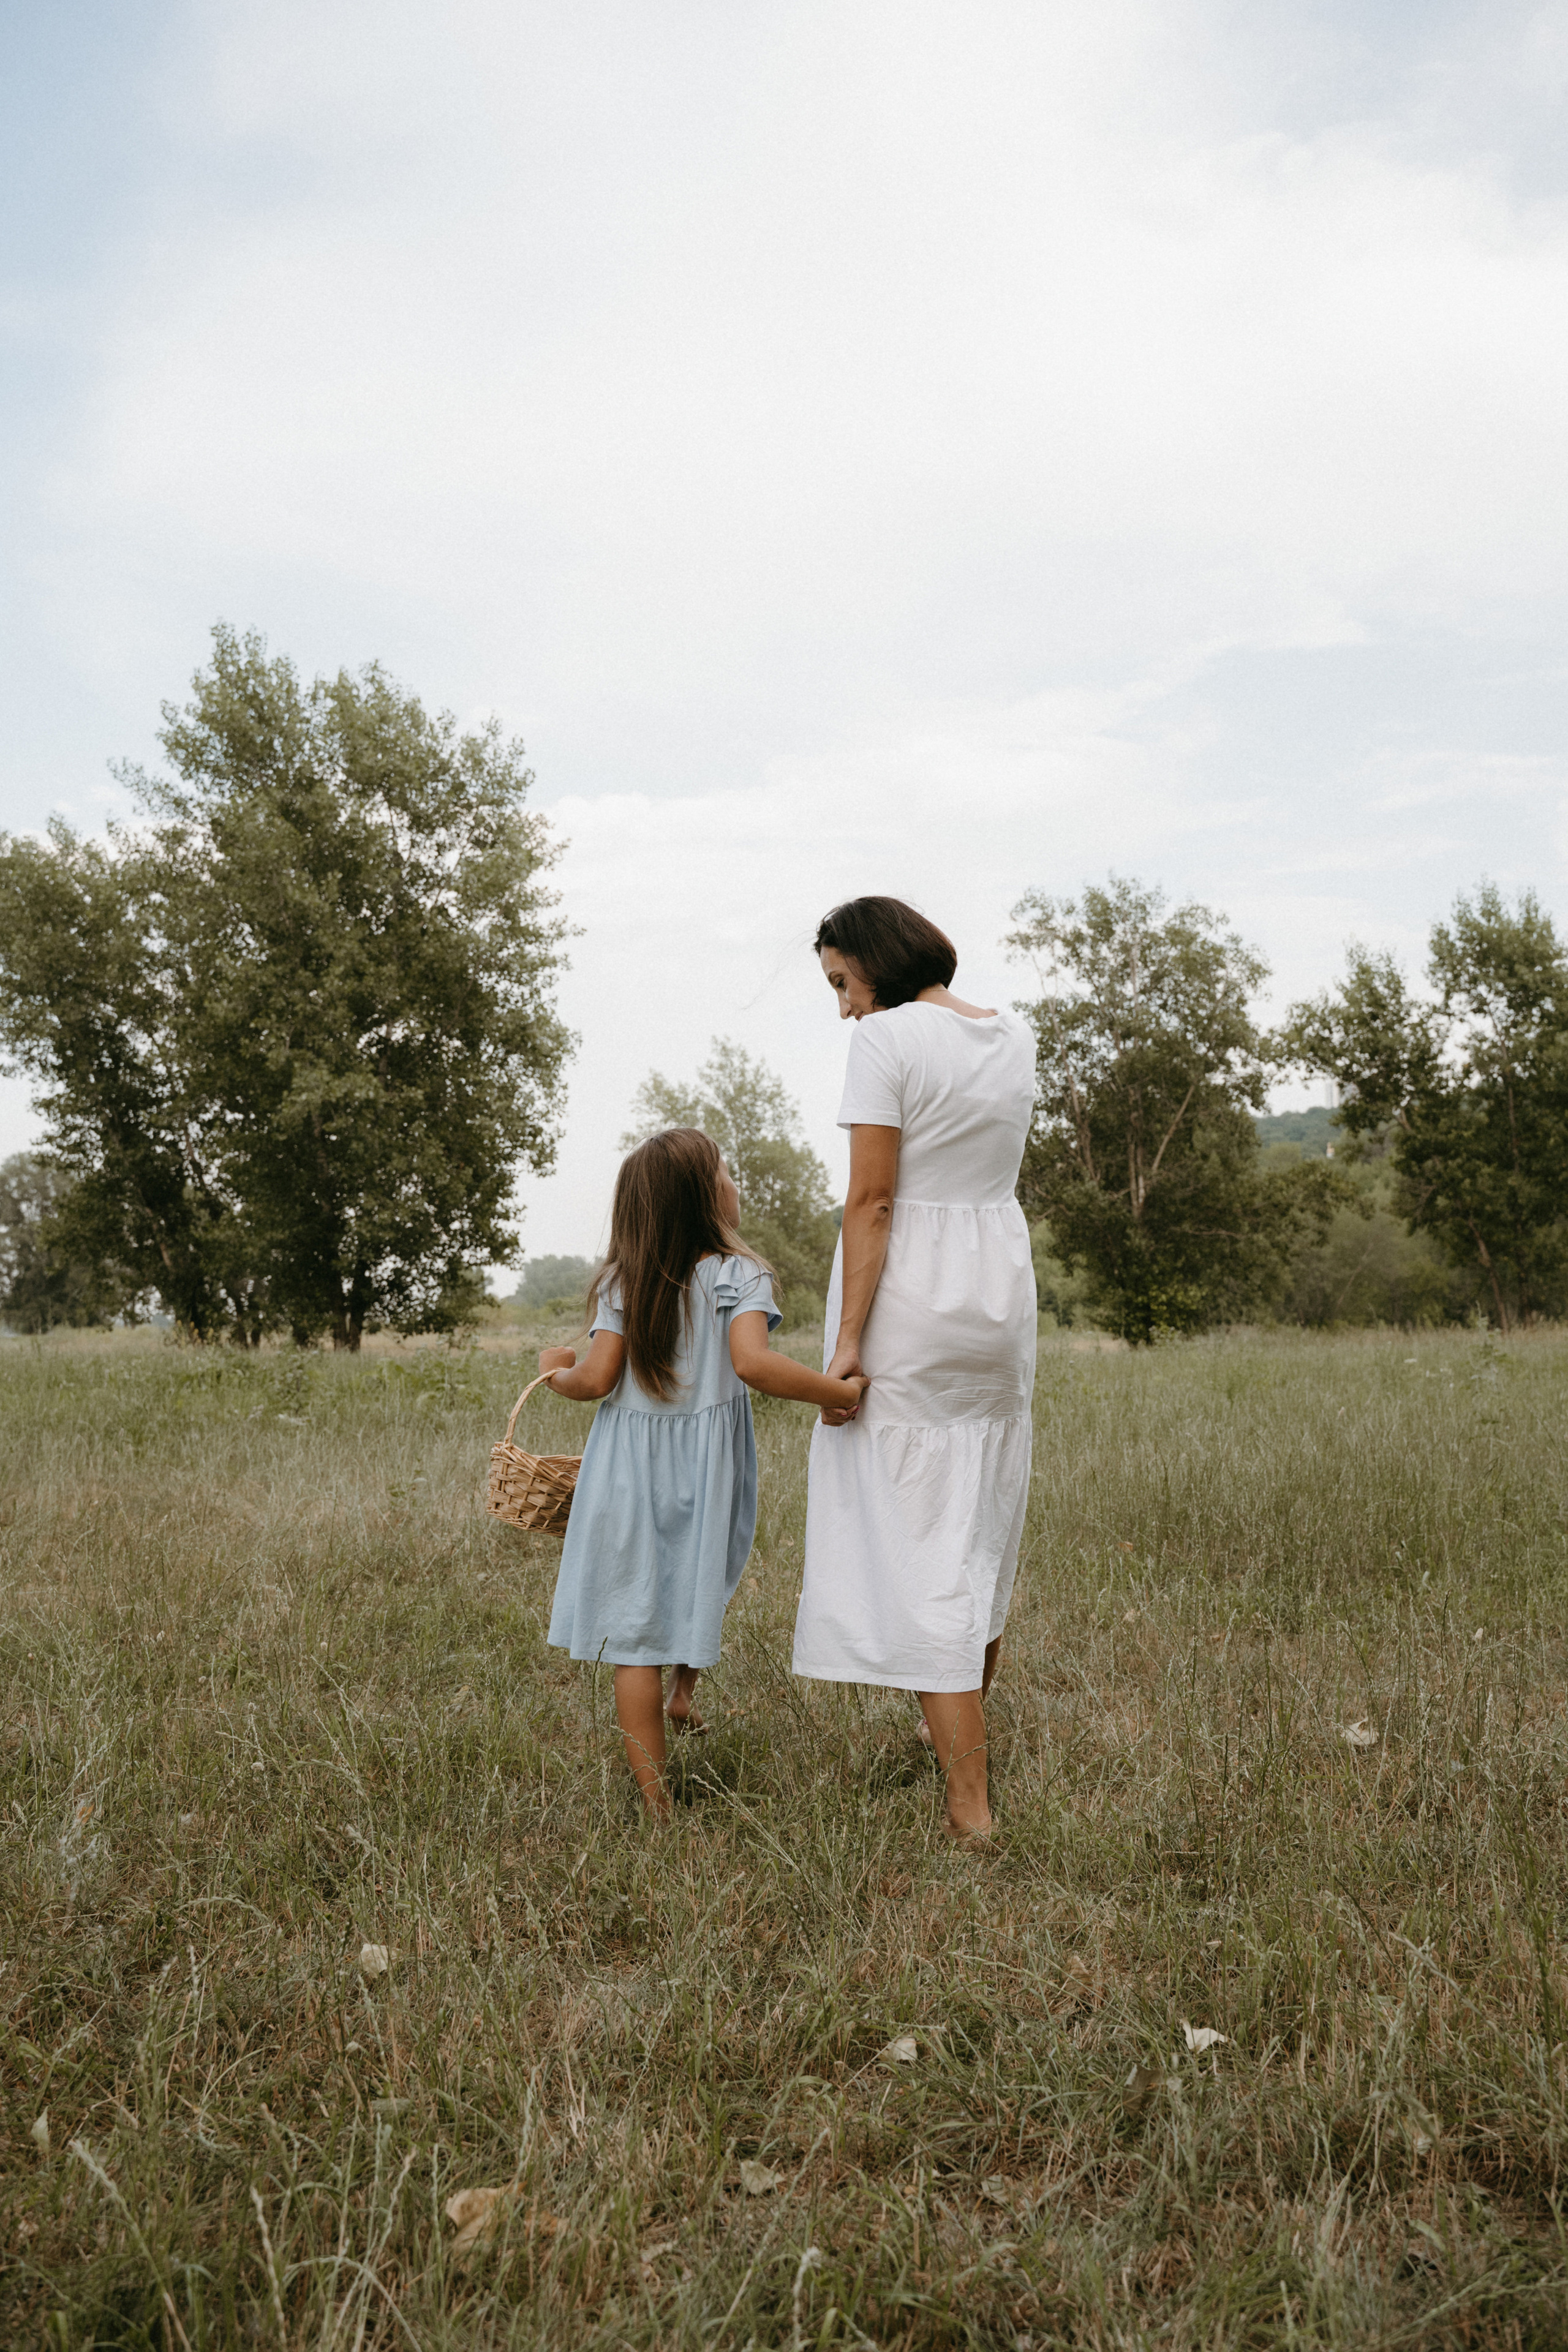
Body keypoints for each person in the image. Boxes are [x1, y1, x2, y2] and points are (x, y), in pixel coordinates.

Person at [793, 896, 1037, 1839]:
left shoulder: (886, 1043)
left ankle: (970, 1805)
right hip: (999, 1297)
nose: (845, 1008)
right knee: (978, 1531)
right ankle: (958, 1750)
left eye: (843, 984)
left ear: (877, 966)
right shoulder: (1012, 1035)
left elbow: (874, 1200)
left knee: (922, 1542)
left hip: (916, 1301)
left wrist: (848, 1340)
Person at [538, 1126, 868, 1819]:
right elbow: (751, 1364)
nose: (735, 1184)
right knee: (700, 1576)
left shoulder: (623, 1282)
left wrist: (555, 1374)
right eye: (726, 1172)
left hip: (626, 1473)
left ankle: (659, 1790)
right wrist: (836, 1393)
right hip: (707, 1468)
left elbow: (595, 1380)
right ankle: (672, 1730)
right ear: (702, 1198)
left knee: (636, 1631)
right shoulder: (739, 1274)